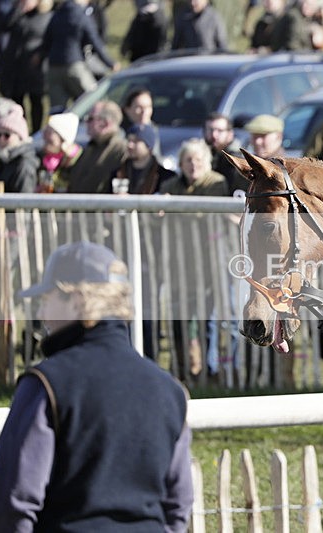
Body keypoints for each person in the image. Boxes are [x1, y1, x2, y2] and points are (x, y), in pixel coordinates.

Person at [0, 241, 193, 531]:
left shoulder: (46, 384)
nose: (42, 313)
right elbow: (178, 506)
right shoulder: (170, 390)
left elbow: (15, 502)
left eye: (47, 299)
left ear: (77, 299)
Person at [161, 138, 228, 378]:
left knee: (207, 318)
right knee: (179, 317)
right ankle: (182, 367)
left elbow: (203, 212)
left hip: (210, 261)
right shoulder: (171, 184)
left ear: (207, 162)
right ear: (180, 163)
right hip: (179, 262)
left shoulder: (216, 183)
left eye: (198, 159)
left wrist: (173, 209)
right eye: (188, 160)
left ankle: (208, 368)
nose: (193, 165)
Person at [39, 0, 117, 110]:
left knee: (57, 109)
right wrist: (110, 63)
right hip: (74, 65)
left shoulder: (56, 15)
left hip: (54, 67)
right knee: (95, 100)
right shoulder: (81, 15)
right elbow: (95, 42)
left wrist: (41, 58)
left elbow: (46, 41)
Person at [0, 0, 52, 134]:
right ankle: (21, 130)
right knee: (17, 102)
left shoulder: (47, 16)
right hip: (17, 67)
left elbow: (52, 40)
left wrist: (41, 54)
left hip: (35, 68)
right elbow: (3, 26)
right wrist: (19, 10)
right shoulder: (19, 15)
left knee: (36, 101)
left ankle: (36, 132)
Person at [66, 100, 127, 194]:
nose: (86, 122)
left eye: (90, 119)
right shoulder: (90, 148)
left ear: (106, 123)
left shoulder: (121, 151)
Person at [0, 109, 38, 193]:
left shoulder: (24, 164)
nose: (1, 139)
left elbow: (24, 201)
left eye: (7, 135)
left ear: (20, 138)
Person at [113, 123, 175, 194]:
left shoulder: (165, 177)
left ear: (149, 147)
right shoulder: (118, 173)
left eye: (136, 141)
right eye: (129, 140)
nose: (130, 145)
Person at [36, 111, 82, 193]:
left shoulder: (76, 162)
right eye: (45, 130)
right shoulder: (40, 159)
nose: (44, 135)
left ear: (63, 138)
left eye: (49, 132)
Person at [203, 112, 245, 196]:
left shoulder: (236, 160)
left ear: (230, 134)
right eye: (210, 130)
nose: (214, 135)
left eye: (220, 131)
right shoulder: (200, 156)